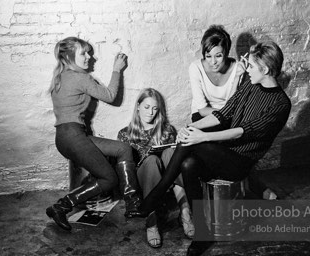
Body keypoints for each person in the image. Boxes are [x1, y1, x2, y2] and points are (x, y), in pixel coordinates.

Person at [133, 41, 292, 256]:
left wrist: (202, 136)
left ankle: (158, 192)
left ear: (264, 70)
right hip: (220, 155)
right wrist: (191, 127)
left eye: (252, 66)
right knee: (188, 163)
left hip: (239, 163)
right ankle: (203, 232)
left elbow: (242, 131)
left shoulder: (281, 104)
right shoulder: (250, 85)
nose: (247, 69)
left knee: (195, 142)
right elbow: (223, 114)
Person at [46, 37, 143, 231]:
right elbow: (110, 96)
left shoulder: (61, 76)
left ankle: (133, 205)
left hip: (67, 137)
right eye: (83, 53)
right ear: (70, 56)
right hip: (73, 137)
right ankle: (61, 207)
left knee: (123, 148)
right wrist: (117, 69)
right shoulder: (81, 77)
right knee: (109, 179)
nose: (89, 57)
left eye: (88, 52)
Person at [118, 88, 195, 248]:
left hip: (166, 180)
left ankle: (186, 213)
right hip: (142, 180)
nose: (151, 112)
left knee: (169, 153)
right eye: (147, 107)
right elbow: (127, 170)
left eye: (155, 108)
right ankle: (151, 223)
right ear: (138, 106)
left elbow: (172, 161)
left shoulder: (167, 130)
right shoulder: (125, 134)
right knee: (152, 160)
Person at [189, 25, 245, 126]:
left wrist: (237, 77)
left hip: (228, 115)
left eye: (218, 56)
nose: (213, 62)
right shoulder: (196, 68)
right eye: (208, 56)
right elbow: (202, 110)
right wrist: (226, 112)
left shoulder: (238, 68)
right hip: (204, 115)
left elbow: (232, 104)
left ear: (227, 53)